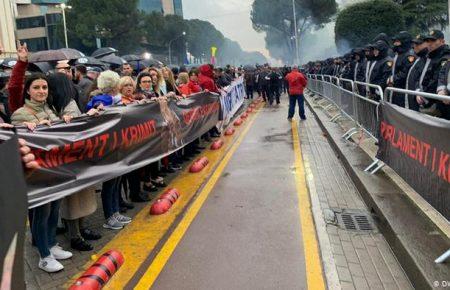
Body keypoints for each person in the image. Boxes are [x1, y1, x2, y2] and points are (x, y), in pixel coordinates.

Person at [9, 43, 73, 273]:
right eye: (36, 88)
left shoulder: (51, 110)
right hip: (34, 172)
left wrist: (63, 121)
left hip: (53, 169)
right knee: (41, 211)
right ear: (28, 91)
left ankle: (51, 244)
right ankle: (43, 255)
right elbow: (14, 87)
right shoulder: (20, 113)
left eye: (45, 88)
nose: (42, 91)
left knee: (54, 207)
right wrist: (21, 62)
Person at [86, 71, 133, 230]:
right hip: (108, 147)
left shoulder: (114, 99)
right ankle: (109, 216)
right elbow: (94, 107)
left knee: (116, 181)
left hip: (117, 144)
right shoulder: (102, 100)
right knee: (110, 183)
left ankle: (115, 212)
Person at [416, 30, 450, 114]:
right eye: (427, 41)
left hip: (435, 104)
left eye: (433, 40)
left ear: (442, 41)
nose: (429, 43)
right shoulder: (426, 56)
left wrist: (425, 97)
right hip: (421, 100)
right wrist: (417, 91)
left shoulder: (444, 57)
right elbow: (418, 76)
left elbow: (437, 80)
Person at [389, 31, 416, 107]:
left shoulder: (409, 55)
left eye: (397, 42)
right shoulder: (398, 54)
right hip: (396, 90)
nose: (395, 44)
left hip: (404, 91)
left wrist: (392, 79)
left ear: (404, 42)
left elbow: (405, 73)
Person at [405, 34, 429, 111]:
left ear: (427, 44)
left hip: (420, 102)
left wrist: (419, 91)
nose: (415, 46)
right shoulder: (419, 58)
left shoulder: (427, 60)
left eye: (418, 44)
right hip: (413, 100)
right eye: (414, 44)